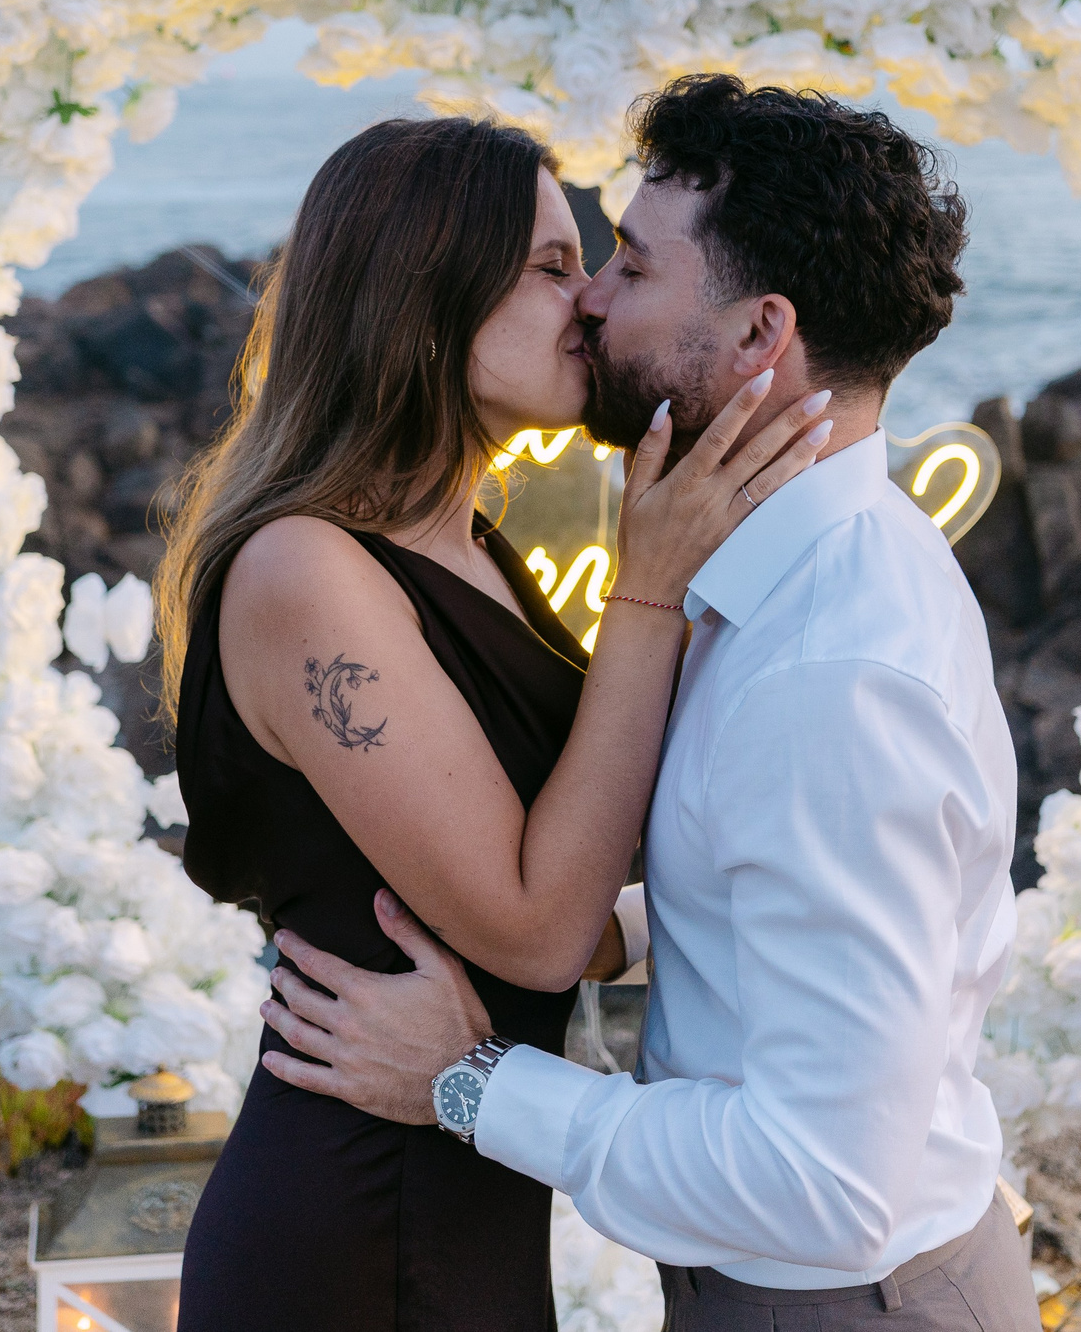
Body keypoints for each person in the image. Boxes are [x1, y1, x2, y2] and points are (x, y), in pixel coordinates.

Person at [259, 75, 1040, 1332]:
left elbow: (820, 1186)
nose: (592, 297)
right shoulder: (790, 575)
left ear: (755, 335)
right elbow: (770, 869)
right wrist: (647, 919)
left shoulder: (827, 670)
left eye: (625, 260)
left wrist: (468, 1086)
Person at [158, 112, 833, 1332]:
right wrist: (647, 587)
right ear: (422, 302)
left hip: (460, 1169)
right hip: (355, 1220)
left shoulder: (467, 544)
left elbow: (562, 871)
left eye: (589, 263)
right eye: (550, 266)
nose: (586, 304)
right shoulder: (306, 574)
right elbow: (530, 929)